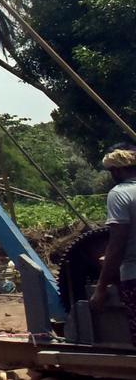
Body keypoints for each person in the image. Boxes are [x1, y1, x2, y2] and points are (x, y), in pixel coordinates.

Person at [90, 143, 136, 346]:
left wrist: (101, 288)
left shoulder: (119, 194)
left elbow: (117, 244)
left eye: (111, 171)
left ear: (117, 169)